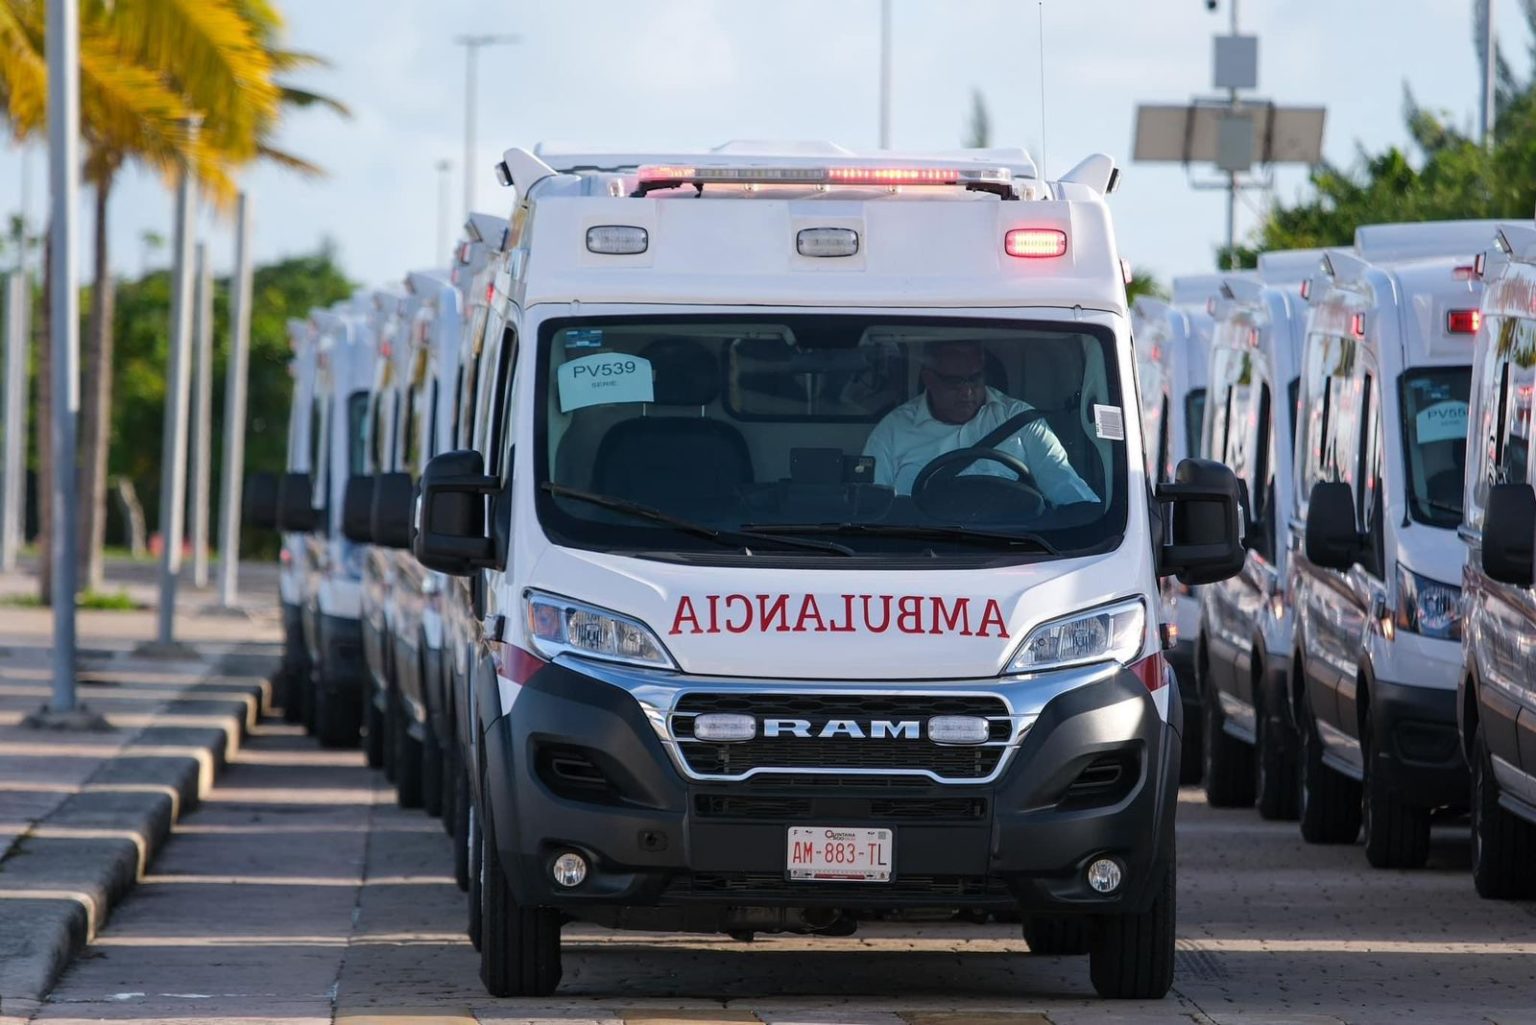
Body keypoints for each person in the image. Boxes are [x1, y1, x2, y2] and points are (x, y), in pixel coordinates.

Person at [862, 340, 1098, 503]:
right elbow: (872, 508)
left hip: (1017, 552)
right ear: (929, 379)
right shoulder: (892, 431)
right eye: (954, 382)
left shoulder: (1020, 420)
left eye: (974, 379)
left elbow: (1064, 484)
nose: (967, 392)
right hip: (915, 556)